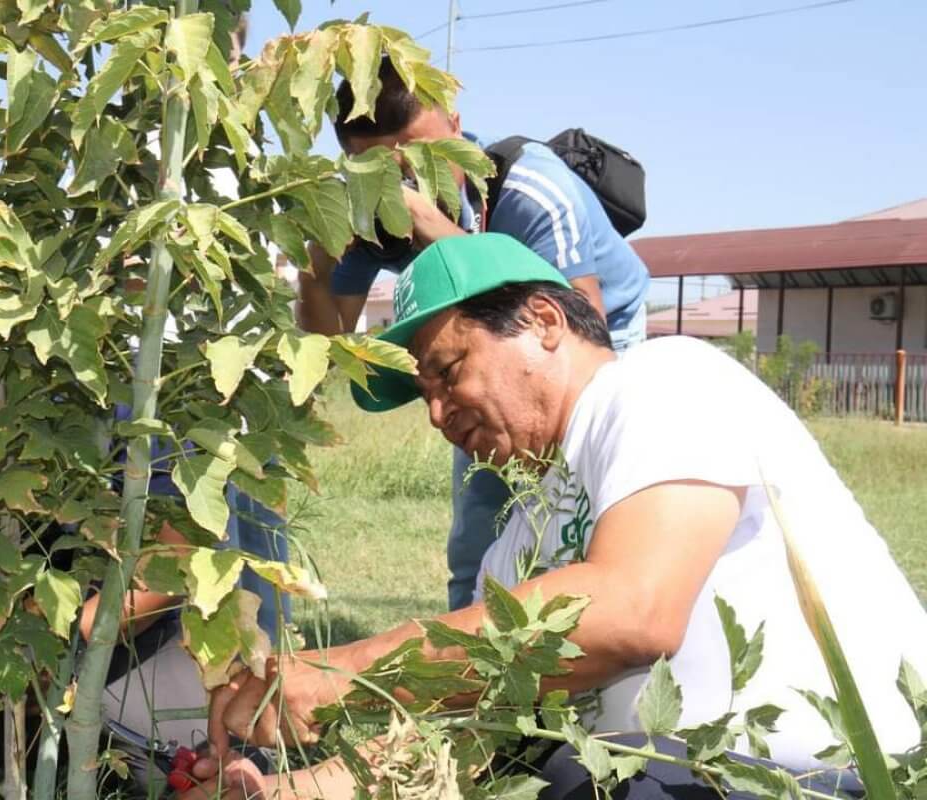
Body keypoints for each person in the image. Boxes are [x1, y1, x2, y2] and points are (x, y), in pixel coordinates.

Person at [180, 233, 927, 799]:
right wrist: (283, 790)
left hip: (817, 778)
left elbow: (635, 610)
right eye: (424, 397)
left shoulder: (665, 381)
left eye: (447, 372)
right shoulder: (521, 539)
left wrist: (346, 667)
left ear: (542, 320)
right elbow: (475, 730)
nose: (438, 414)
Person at [298, 57, 652, 612]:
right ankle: (473, 648)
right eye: (380, 170)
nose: (405, 181)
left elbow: (582, 332)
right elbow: (327, 349)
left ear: (455, 128)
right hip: (485, 339)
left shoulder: (530, 189)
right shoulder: (364, 207)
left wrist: (435, 230)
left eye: (419, 156)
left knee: (577, 497)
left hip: (597, 331)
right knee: (481, 520)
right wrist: (315, 275)